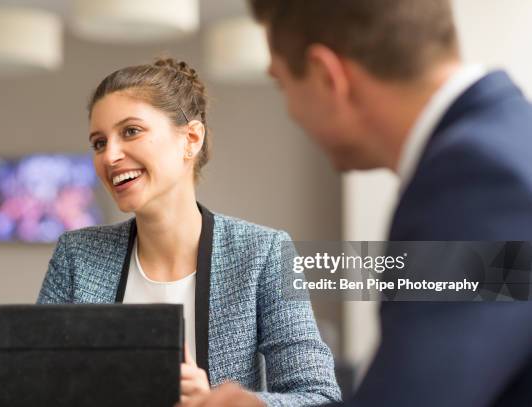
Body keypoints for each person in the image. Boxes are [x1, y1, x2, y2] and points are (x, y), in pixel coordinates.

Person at [180, 0, 532, 406]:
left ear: (326, 75)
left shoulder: (476, 179)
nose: (291, 111)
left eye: (282, 85)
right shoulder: (503, 145)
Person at [0, 58, 341, 407]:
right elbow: (25, 382)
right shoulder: (77, 254)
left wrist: (225, 403)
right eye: (99, 142)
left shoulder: (263, 252)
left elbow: (317, 396)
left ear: (191, 139)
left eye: (130, 131)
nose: (109, 156)